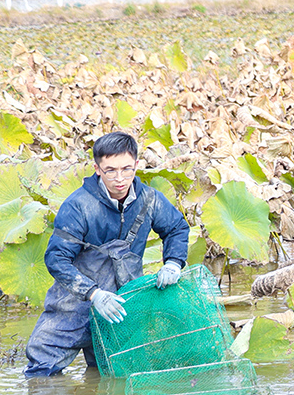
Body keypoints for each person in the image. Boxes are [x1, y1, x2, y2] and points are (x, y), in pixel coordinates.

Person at [23, 131, 190, 377]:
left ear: (136, 165)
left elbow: (176, 228)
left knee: (113, 376)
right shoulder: (78, 205)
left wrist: (174, 263)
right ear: (97, 169)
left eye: (126, 169)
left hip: (123, 304)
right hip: (75, 303)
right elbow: (56, 258)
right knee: (41, 370)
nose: (120, 179)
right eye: (110, 170)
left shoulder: (150, 199)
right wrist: (94, 294)